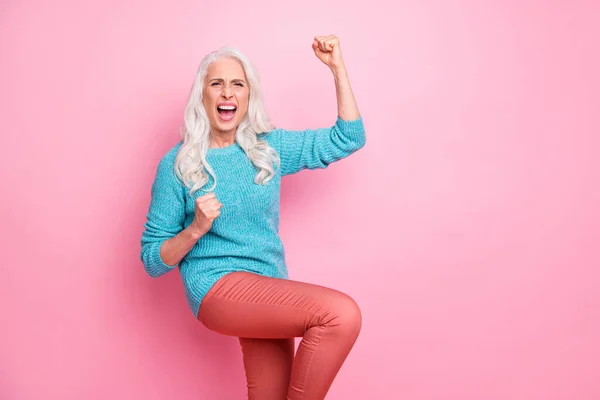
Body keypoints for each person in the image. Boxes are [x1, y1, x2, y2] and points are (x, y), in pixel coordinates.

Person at [140, 34, 366, 400]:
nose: (227, 92)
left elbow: (349, 138)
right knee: (340, 315)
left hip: (269, 287)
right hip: (216, 287)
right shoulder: (178, 165)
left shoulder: (268, 149)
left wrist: (337, 68)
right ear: (203, 96)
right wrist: (196, 229)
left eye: (237, 84)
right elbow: (153, 260)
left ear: (248, 97)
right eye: (217, 84)